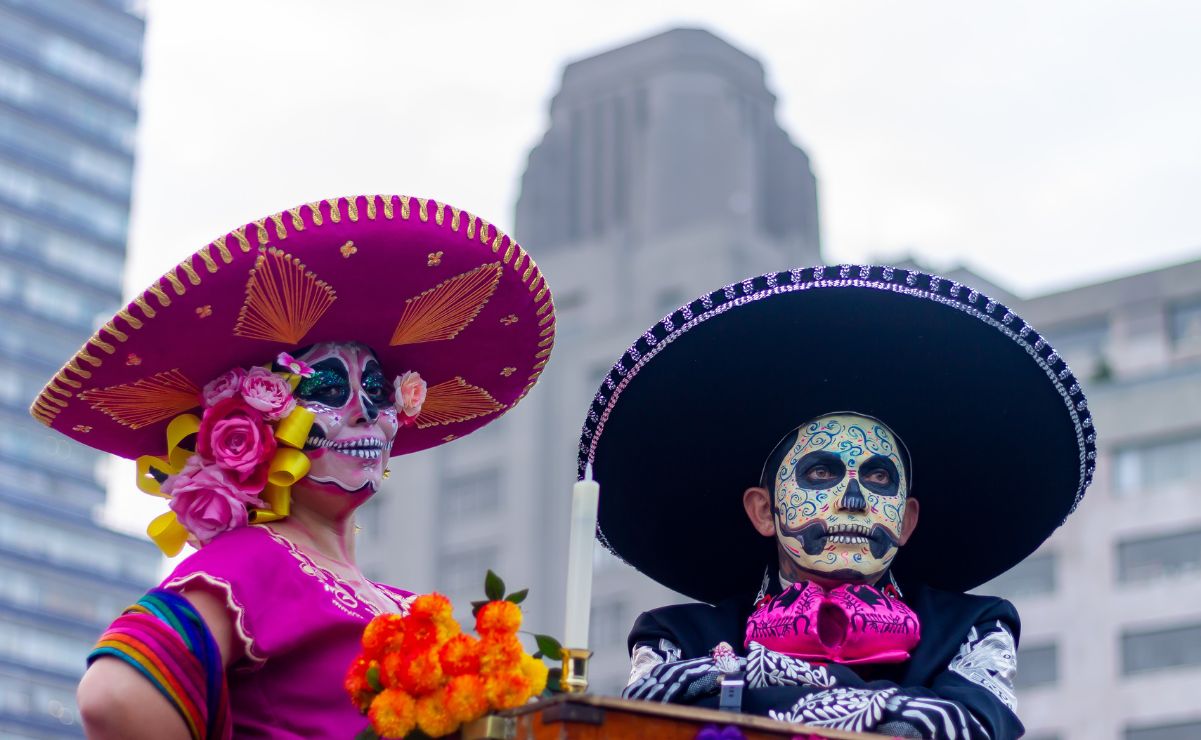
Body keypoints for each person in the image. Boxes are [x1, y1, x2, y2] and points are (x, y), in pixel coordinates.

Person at [30, 195, 555, 738]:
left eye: (377, 389)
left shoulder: (410, 607)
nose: (364, 410)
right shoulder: (255, 560)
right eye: (328, 388)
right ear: (256, 421)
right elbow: (114, 695)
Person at [577, 265, 1096, 739]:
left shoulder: (974, 628)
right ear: (764, 510)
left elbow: (965, 726)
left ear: (907, 518)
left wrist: (740, 676)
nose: (853, 500)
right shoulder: (674, 636)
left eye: (877, 477)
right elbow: (644, 720)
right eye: (822, 472)